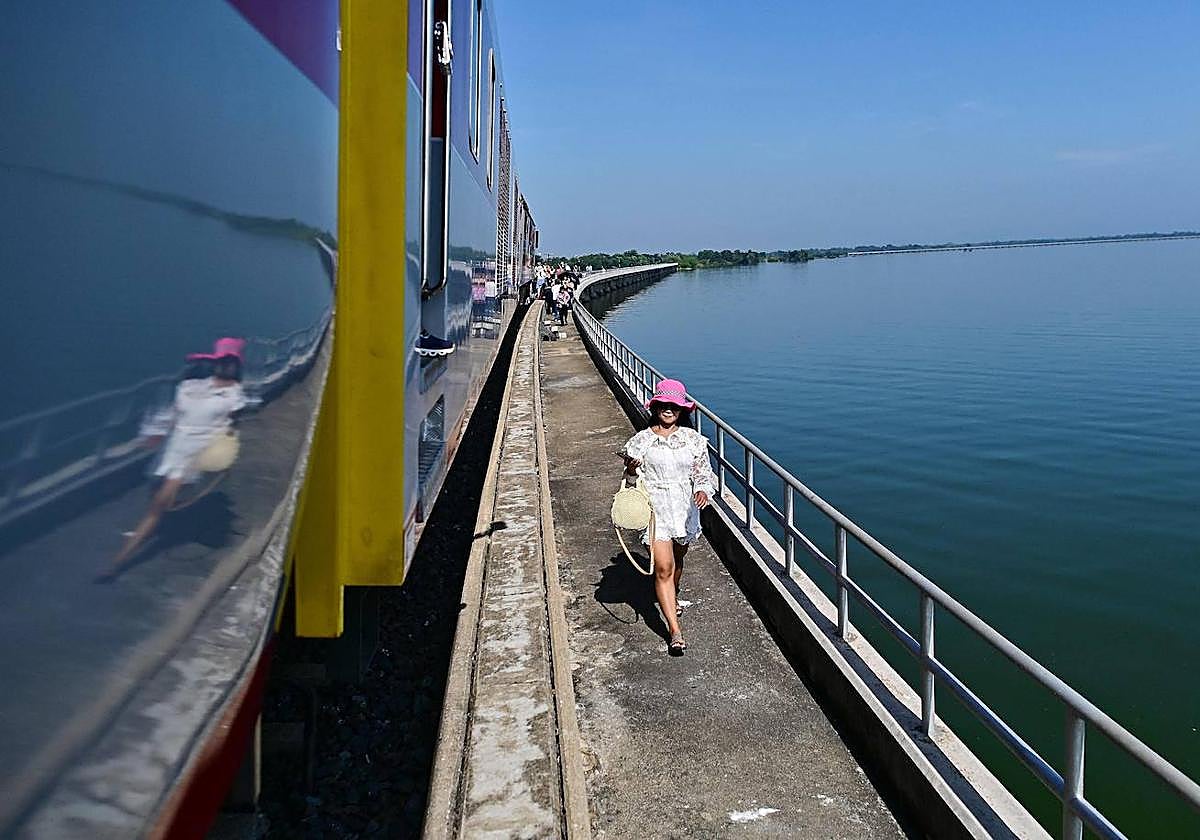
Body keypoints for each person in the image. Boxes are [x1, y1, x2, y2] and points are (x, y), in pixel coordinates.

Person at [105, 337, 248, 577]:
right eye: (223, 361)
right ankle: (157, 526)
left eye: (230, 362)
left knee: (157, 506)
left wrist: (225, 454)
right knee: (157, 494)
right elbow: (174, 414)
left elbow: (231, 429)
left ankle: (119, 561)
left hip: (194, 455)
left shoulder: (235, 396)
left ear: (237, 366)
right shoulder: (193, 386)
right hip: (172, 449)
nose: (226, 366)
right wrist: (156, 434)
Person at [619, 379, 717, 654]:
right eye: (664, 404)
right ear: (655, 407)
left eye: (674, 405)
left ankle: (673, 596)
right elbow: (630, 482)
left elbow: (703, 474)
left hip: (684, 509)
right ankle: (674, 630)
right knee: (663, 567)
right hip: (656, 510)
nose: (669, 409)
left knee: (678, 558)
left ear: (681, 409)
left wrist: (701, 490)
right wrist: (630, 469)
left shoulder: (693, 440)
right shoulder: (641, 441)